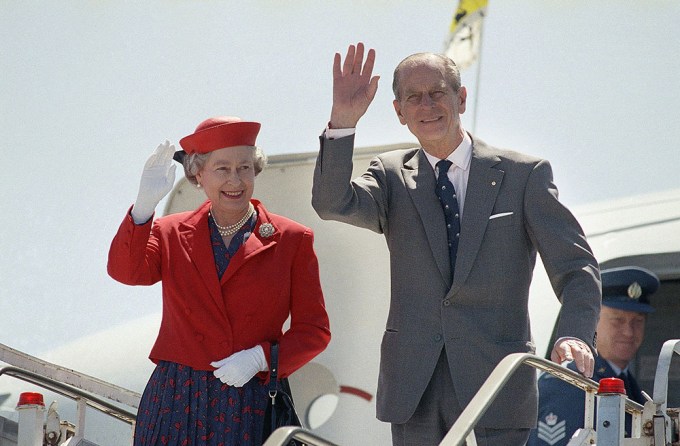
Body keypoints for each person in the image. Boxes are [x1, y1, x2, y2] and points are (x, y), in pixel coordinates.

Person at [311, 42, 601, 446]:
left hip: (497, 385)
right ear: (399, 112)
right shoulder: (391, 175)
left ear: (460, 98)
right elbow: (330, 203)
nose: (426, 105)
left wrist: (573, 334)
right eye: (413, 97)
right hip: (415, 389)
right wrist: (343, 121)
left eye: (437, 92)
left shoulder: (524, 175)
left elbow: (577, 269)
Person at [108, 116, 331, 445]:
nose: (235, 180)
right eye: (222, 169)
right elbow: (126, 272)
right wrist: (143, 207)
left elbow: (314, 331)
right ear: (198, 175)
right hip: (175, 400)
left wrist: (260, 359)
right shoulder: (169, 232)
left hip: (249, 399)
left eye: (244, 167)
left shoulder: (291, 239)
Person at [528, 266, 659, 446]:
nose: (629, 332)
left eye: (638, 321)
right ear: (594, 322)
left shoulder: (627, 382)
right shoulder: (569, 383)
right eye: (617, 320)